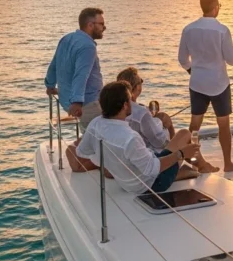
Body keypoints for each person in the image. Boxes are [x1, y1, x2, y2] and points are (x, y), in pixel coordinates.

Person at [68, 82, 200, 194]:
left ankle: (183, 171)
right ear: (125, 105)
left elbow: (82, 151)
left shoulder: (96, 123)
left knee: (156, 152)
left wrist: (113, 163)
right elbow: (152, 169)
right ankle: (191, 170)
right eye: (130, 100)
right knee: (185, 134)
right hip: (151, 184)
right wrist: (182, 154)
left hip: (125, 183)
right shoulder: (130, 138)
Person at [177, 0, 233, 172]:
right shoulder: (222, 30)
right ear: (215, 7)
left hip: (197, 83)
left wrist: (192, 71)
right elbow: (231, 60)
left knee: (195, 125)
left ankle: (195, 160)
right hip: (219, 84)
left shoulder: (188, 29)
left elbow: (182, 59)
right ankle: (228, 163)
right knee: (223, 124)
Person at [116, 66, 218, 174]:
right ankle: (201, 166)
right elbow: (160, 142)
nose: (141, 84)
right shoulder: (141, 112)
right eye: (140, 81)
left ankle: (199, 165)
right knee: (186, 134)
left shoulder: (116, 109)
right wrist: (168, 127)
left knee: (182, 139)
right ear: (136, 87)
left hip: (131, 159)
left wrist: (155, 120)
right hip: (154, 161)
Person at [45, 7, 105, 130]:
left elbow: (54, 65)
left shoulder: (66, 38)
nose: (104, 28)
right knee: (101, 140)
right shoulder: (88, 46)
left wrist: (50, 85)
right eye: (101, 24)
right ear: (90, 25)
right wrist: (77, 101)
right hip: (88, 105)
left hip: (68, 100)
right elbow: (81, 75)